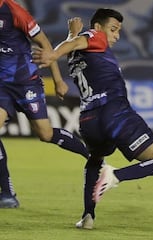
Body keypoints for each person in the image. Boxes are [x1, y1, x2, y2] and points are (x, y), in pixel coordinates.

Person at [32, 8, 153, 229]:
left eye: (119, 31)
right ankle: (116, 175)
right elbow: (74, 43)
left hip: (89, 121)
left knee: (94, 161)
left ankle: (88, 216)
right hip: (115, 113)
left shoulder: (76, 53)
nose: (116, 36)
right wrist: (56, 52)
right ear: (98, 27)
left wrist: (59, 68)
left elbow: (71, 46)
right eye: (113, 29)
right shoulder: (95, 37)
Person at [0, 0, 89, 208]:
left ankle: (92, 156)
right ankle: (7, 194)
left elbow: (45, 45)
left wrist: (58, 80)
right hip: (2, 86)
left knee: (45, 134)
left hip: (25, 81)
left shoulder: (14, 11)